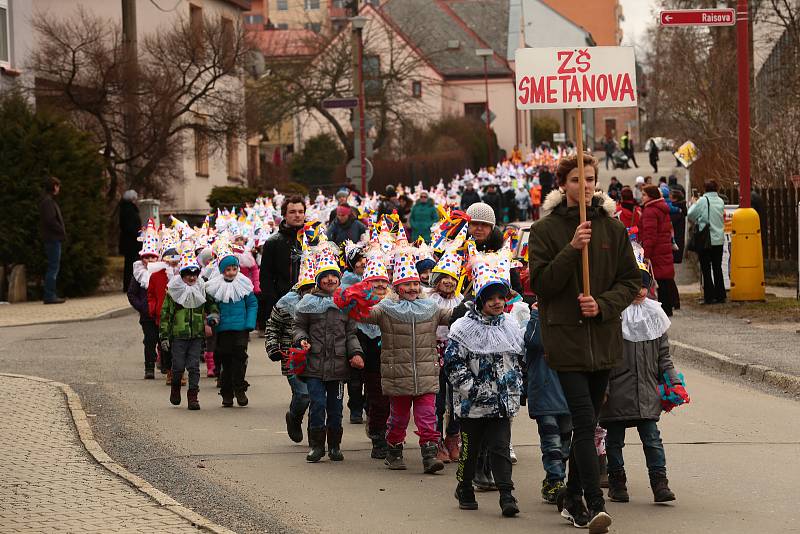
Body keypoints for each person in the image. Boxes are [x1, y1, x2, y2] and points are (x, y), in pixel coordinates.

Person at [529, 152, 640, 531]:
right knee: (582, 421)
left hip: (604, 340)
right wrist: (572, 248)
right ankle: (594, 505)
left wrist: (604, 304)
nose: (585, 185)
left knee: (588, 423)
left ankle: (570, 495)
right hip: (566, 341)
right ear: (563, 185)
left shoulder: (612, 228)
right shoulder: (544, 230)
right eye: (577, 179)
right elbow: (541, 284)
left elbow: (631, 281)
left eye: (590, 178)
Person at [358, 248, 452, 474]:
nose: (412, 288)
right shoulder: (385, 308)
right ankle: (394, 450)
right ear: (397, 287)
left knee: (428, 417)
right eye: (406, 284)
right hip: (398, 374)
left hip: (426, 373)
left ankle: (429, 454)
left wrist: (469, 307)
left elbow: (450, 317)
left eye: (415, 284)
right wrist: (353, 300)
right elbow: (363, 315)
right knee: (399, 418)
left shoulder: (431, 307)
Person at [600, 252, 684, 504]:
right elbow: (603, 359)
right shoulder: (614, 316)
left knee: (652, 439)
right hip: (616, 392)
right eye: (632, 283)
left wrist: (674, 383)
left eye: (643, 283)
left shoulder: (655, 315)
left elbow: (664, 357)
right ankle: (617, 483)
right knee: (614, 441)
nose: (638, 290)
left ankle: (660, 484)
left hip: (646, 391)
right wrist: (602, 388)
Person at [444, 258, 523, 517]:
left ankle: (507, 495)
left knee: (500, 448)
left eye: (501, 297)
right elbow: (453, 364)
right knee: (470, 450)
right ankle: (465, 486)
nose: (497, 302)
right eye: (491, 298)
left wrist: (516, 386)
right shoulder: (463, 328)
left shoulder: (510, 325)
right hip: (472, 405)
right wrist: (473, 389)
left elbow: (517, 360)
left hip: (501, 403)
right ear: (480, 300)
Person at [293, 243, 364, 463]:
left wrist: (356, 353)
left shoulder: (344, 303)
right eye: (325, 277)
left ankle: (334, 445)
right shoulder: (308, 302)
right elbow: (298, 326)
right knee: (317, 405)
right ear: (318, 280)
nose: (330, 280)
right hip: (314, 365)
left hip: (338, 367)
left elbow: (351, 333)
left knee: (335, 408)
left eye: (334, 276)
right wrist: (302, 339)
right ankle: (316, 445)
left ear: (339, 278)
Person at [265, 252, 316, 445]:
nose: (312, 293)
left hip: (318, 357)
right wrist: (273, 347)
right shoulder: (286, 304)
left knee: (317, 398)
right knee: (303, 395)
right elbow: (272, 326)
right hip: (292, 357)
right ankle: (294, 417)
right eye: (308, 289)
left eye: (315, 289)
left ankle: (316, 435)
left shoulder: (325, 302)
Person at [524, 306, 572, 505]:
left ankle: (553, 478)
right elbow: (534, 341)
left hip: (568, 395)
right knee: (551, 443)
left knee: (565, 446)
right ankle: (555, 481)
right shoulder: (536, 322)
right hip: (545, 394)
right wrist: (538, 314)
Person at [160, 247, 218, 410]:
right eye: (188, 275)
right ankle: (176, 387)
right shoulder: (173, 291)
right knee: (178, 366)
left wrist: (212, 317)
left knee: (194, 366)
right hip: (178, 335)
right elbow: (165, 314)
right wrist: (164, 336)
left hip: (196, 335)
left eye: (194, 274)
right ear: (182, 275)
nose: (192, 277)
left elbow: (212, 305)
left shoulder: (202, 288)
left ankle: (193, 396)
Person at [206, 249, 259, 407]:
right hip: (223, 329)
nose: (231, 272)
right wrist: (212, 318)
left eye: (234, 269)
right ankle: (227, 393)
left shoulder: (243, 284)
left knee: (240, 359)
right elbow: (211, 306)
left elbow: (252, 304)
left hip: (240, 328)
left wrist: (249, 323)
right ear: (222, 271)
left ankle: (240, 389)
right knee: (225, 362)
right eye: (228, 270)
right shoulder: (216, 286)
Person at [427, 244, 465, 464]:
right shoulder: (429, 300)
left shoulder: (461, 300)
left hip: (457, 354)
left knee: (457, 399)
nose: (449, 282)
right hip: (434, 353)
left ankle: (453, 437)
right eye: (445, 278)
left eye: (453, 278)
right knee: (438, 401)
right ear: (437, 279)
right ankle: (437, 441)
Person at [260, 196, 305, 320]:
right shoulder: (273, 242)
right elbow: (266, 277)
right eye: (292, 212)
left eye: (301, 212)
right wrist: (274, 303)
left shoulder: (313, 240)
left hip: (309, 304)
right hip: (282, 304)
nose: (297, 215)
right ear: (284, 215)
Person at [127, 220, 160, 379]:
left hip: (161, 314)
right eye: (146, 258)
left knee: (163, 340)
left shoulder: (162, 273)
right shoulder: (138, 273)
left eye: (152, 258)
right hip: (147, 315)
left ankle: (165, 364)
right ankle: (149, 367)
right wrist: (142, 307)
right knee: (150, 340)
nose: (149, 261)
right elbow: (132, 293)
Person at [640, 186, 677, 317]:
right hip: (664, 247)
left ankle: (663, 309)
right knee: (665, 278)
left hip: (656, 250)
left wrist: (646, 254)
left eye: (644, 195)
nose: (642, 197)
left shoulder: (650, 211)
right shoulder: (662, 209)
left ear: (651, 196)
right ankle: (668, 307)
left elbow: (650, 235)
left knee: (659, 280)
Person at [687, 180, 726, 304]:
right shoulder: (720, 201)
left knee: (706, 267)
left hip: (706, 239)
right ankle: (721, 295)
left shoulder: (703, 200)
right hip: (718, 239)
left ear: (705, 189)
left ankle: (709, 296)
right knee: (717, 267)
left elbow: (690, 214)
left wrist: (694, 203)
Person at [40, 176, 66, 304]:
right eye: (57, 186)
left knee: (53, 266)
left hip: (52, 238)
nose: (59, 188)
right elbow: (50, 220)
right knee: (53, 267)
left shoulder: (47, 201)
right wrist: (60, 230)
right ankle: (50, 295)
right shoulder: (48, 202)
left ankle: (51, 293)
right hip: (53, 238)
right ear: (54, 187)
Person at [119, 190, 142, 292]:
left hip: (129, 241)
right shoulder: (130, 210)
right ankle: (130, 286)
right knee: (131, 263)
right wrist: (138, 233)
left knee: (129, 263)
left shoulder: (125, 209)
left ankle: (128, 285)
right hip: (131, 241)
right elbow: (130, 226)